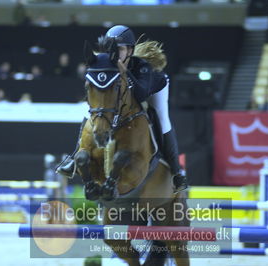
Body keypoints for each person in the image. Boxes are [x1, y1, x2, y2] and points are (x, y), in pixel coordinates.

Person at [56, 25, 188, 192]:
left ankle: (176, 171)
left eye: (119, 49)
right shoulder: (104, 61)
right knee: (88, 110)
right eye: (110, 48)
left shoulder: (142, 66)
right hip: (125, 94)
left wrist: (126, 73)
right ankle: (73, 158)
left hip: (152, 88)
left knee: (162, 117)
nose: (113, 53)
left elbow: (140, 95)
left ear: (130, 51)